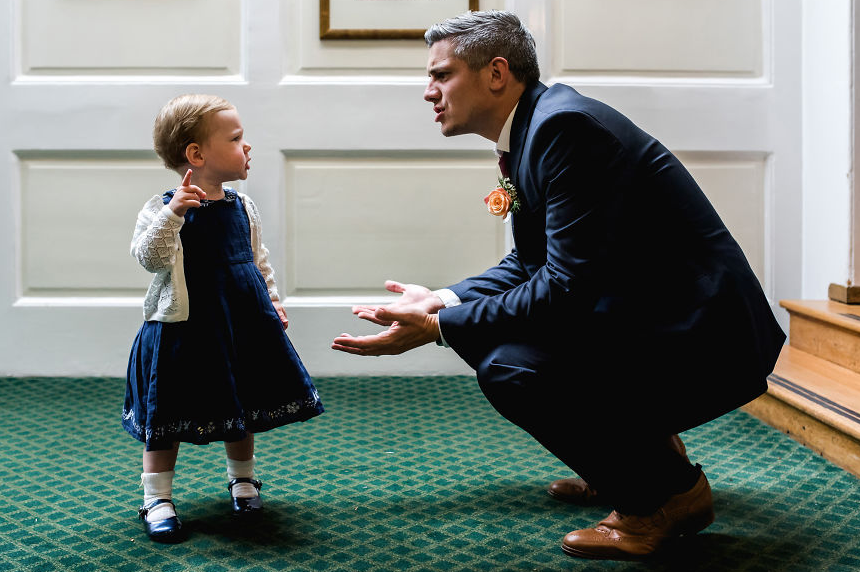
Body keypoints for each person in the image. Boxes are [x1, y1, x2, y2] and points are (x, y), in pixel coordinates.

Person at [331, 10, 785, 561]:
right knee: (487, 334)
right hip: (653, 316)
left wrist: (436, 327)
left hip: (704, 336)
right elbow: (530, 262)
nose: (428, 92)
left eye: (442, 75)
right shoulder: (536, 126)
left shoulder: (564, 129)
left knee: (511, 366)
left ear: (496, 73)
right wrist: (443, 300)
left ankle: (665, 498)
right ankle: (633, 463)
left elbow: (562, 290)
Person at [124, 94, 324, 543]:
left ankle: (244, 479)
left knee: (243, 403)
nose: (247, 146)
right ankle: (156, 497)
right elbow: (149, 257)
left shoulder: (242, 206)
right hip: (183, 331)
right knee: (167, 414)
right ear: (196, 154)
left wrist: (272, 300)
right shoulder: (162, 208)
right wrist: (174, 213)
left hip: (240, 325)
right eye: (236, 139)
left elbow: (257, 260)